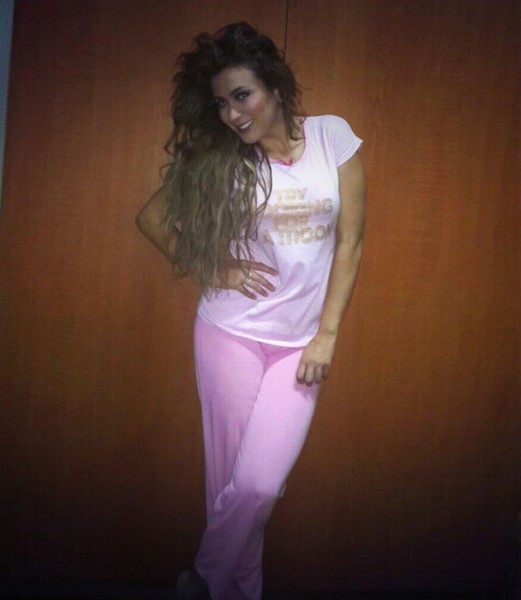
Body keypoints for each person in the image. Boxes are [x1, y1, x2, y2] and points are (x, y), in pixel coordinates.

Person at [136, 21, 365, 600]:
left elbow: (351, 242)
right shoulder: (224, 158)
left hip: (299, 344)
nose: (232, 114)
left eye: (242, 95)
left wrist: (327, 335)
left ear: (275, 86)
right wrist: (216, 270)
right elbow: (151, 218)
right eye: (221, 103)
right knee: (232, 491)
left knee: (257, 487)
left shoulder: (332, 137)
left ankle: (201, 580)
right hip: (229, 334)